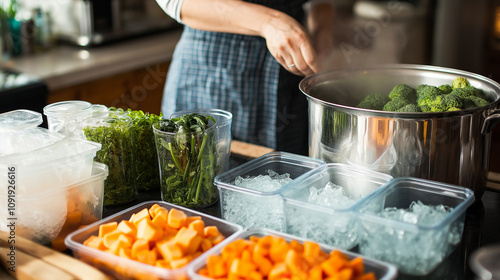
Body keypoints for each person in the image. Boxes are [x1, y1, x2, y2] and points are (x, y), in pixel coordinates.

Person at [156, 0, 335, 155]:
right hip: (213, 76)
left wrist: (322, 29)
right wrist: (270, 22)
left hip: (289, 83)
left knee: (288, 182)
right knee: (204, 179)